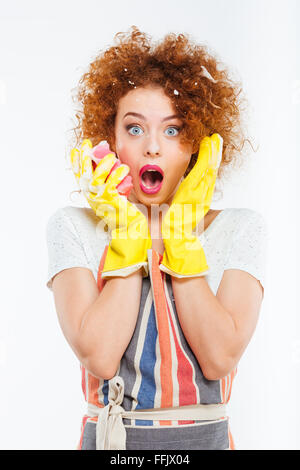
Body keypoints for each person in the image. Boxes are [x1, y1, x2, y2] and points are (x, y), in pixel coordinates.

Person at [46, 26, 267, 450]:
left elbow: (219, 358)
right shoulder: (72, 225)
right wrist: (130, 231)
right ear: (109, 138)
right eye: (133, 129)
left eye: (172, 130)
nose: (151, 148)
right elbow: (100, 355)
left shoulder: (241, 227)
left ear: (197, 144)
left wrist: (179, 232)